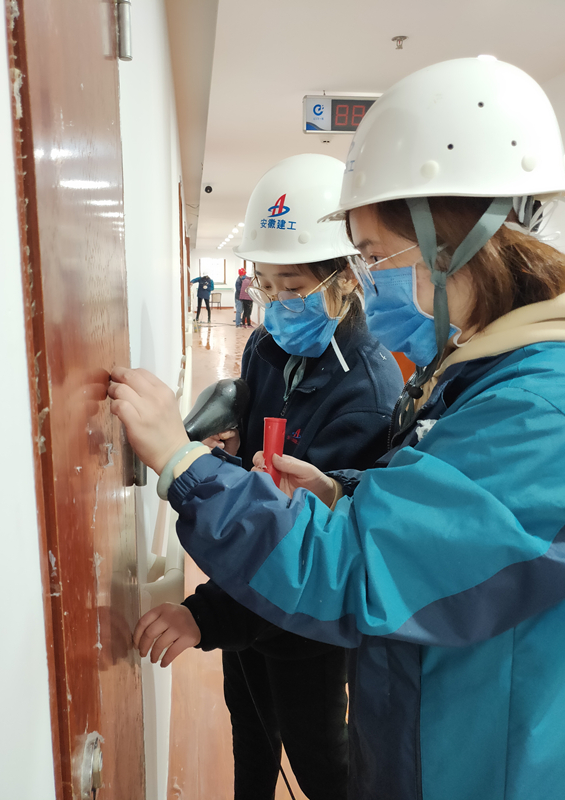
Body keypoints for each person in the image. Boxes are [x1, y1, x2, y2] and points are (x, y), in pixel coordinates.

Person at [110, 58, 565, 800]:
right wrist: (344, 494)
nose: (372, 280)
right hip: (430, 733)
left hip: (479, 763)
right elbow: (438, 527)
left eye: (378, 257)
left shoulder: (539, 414)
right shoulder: (486, 379)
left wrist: (181, 463)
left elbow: (357, 568)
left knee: (317, 751)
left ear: (456, 244)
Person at [135, 154, 403, 800]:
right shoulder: (266, 346)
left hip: (305, 624)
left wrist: (205, 617)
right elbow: (259, 478)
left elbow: (315, 555)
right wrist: (231, 451)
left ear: (344, 279)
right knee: (250, 737)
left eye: (294, 287)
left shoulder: (367, 393)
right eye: (268, 284)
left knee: (319, 762)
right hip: (245, 590)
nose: (279, 304)